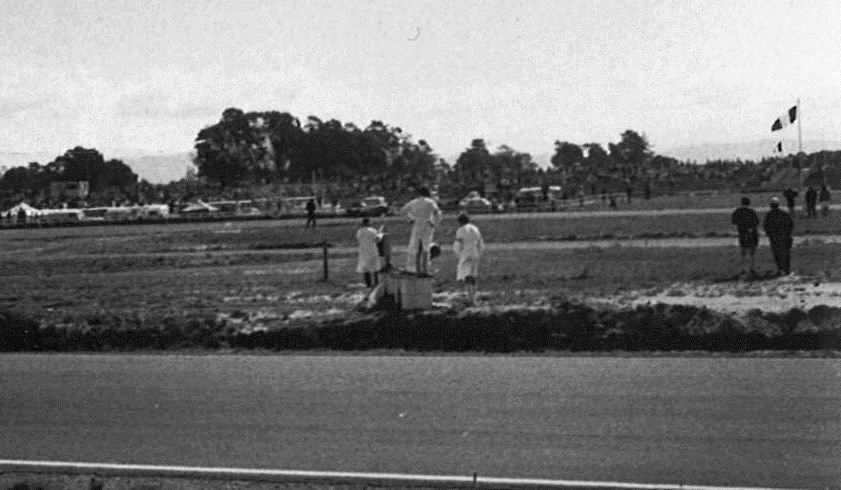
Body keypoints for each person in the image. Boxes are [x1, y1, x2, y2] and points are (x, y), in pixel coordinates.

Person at [400, 186, 441, 276]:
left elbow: (402, 211)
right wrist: (434, 222)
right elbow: (438, 212)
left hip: (417, 226)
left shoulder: (414, 202)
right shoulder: (430, 202)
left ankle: (418, 270)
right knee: (426, 249)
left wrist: (410, 219)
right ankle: (425, 270)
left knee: (417, 249)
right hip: (427, 226)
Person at [453, 213, 484, 305]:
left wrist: (458, 254)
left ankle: (471, 299)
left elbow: (457, 244)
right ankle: (473, 298)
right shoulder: (475, 229)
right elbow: (480, 243)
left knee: (467, 277)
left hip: (465, 255)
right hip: (475, 254)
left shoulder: (461, 230)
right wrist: (479, 253)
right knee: (473, 276)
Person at [763, 197, 794, 275]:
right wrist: (789, 233)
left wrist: (769, 234)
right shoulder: (784, 213)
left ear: (771, 205)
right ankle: (787, 270)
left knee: (777, 254)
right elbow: (791, 224)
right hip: (785, 237)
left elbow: (765, 226)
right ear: (778, 204)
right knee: (786, 253)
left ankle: (780, 269)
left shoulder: (769, 214)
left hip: (774, 238)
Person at [731, 197, 759, 275]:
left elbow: (733, 222)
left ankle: (744, 268)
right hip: (752, 233)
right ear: (749, 202)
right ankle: (751, 268)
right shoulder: (752, 211)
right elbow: (756, 222)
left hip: (742, 233)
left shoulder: (737, 211)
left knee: (743, 251)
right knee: (752, 252)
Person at [356, 218, 381, 288]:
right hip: (373, 250)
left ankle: (368, 284)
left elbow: (358, 239)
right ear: (369, 223)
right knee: (375, 267)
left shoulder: (360, 231)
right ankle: (376, 283)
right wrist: (381, 233)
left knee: (366, 268)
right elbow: (377, 240)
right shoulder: (373, 230)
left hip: (364, 251)